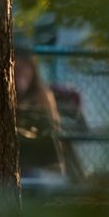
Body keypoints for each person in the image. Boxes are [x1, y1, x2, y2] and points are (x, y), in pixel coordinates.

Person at [15, 49, 70, 179]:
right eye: (17, 70)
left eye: (25, 69)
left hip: (37, 151)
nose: (21, 74)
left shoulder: (41, 94)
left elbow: (52, 124)